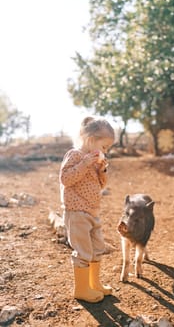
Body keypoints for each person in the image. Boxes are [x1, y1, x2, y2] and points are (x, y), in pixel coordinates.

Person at [59, 116, 115, 303]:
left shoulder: (94, 162)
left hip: (92, 211)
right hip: (76, 212)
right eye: (104, 147)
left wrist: (101, 170)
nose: (106, 151)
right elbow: (65, 179)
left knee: (97, 247)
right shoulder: (74, 155)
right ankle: (81, 289)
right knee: (83, 250)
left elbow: (101, 185)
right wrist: (84, 164)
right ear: (91, 140)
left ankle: (94, 283)